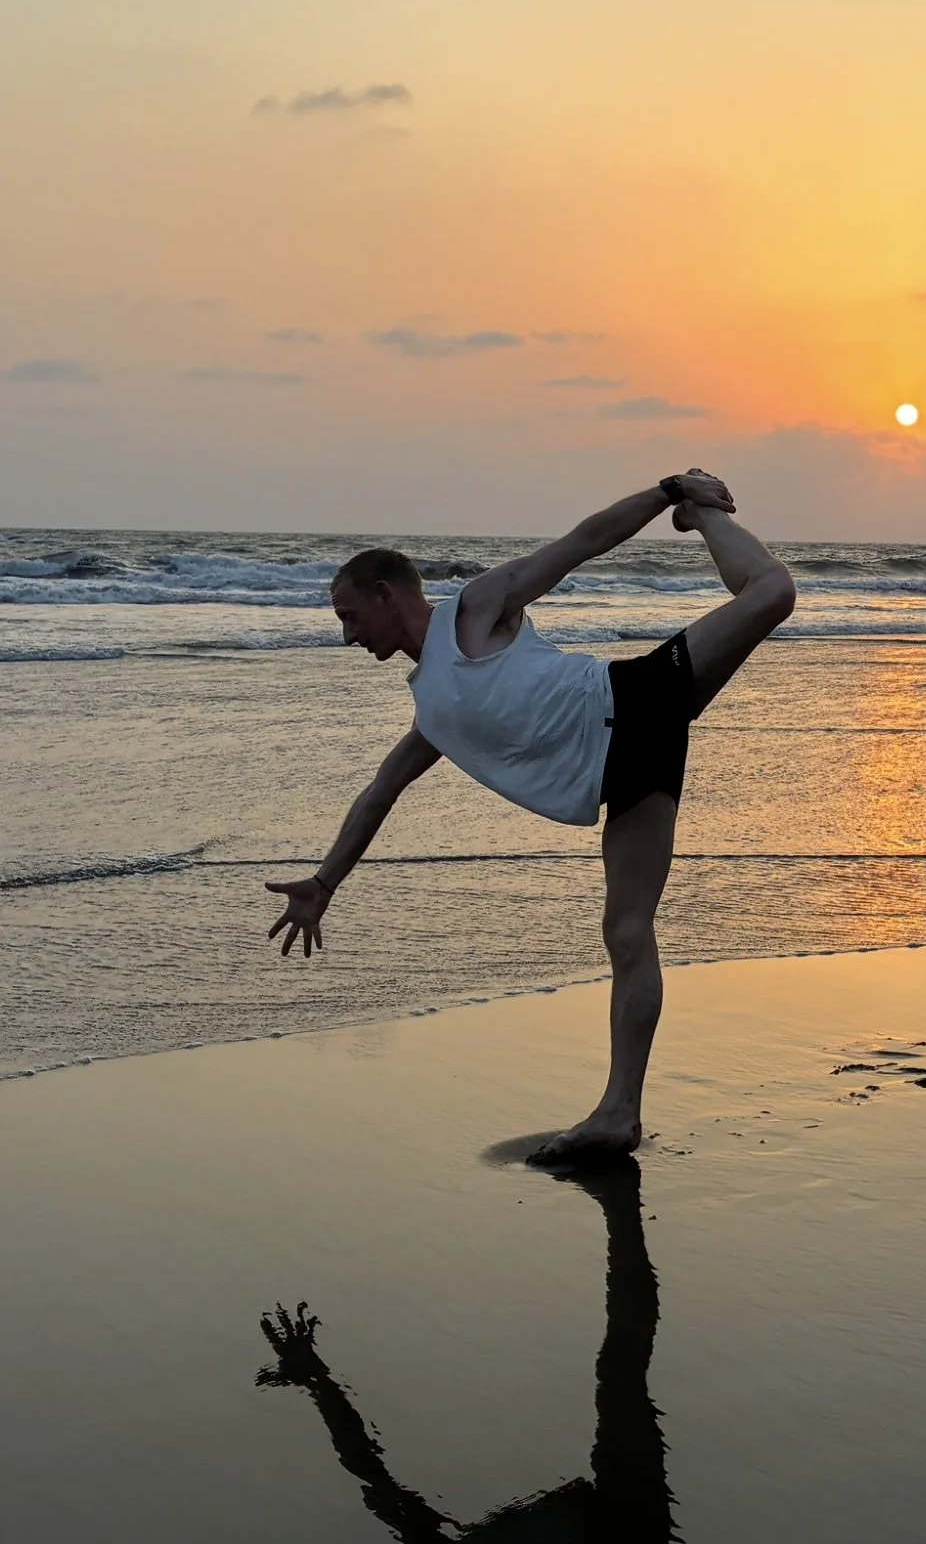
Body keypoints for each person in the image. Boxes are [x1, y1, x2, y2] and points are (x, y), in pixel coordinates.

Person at [267, 471, 795, 1162]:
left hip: (633, 701)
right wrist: (326, 883)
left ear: (384, 594)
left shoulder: (476, 610)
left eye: (349, 616)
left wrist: (667, 493)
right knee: (628, 933)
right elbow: (379, 792)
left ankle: (704, 517)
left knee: (773, 593)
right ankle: (619, 1114)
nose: (348, 636)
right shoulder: (432, 709)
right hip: (625, 776)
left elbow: (580, 544)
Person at [256, 1161, 682, 1544]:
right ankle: (622, 1216)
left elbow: (384, 1491)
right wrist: (317, 1382)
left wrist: (318, 1383)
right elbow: (382, 1490)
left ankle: (622, 1216)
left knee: (623, 1374)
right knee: (623, 1374)